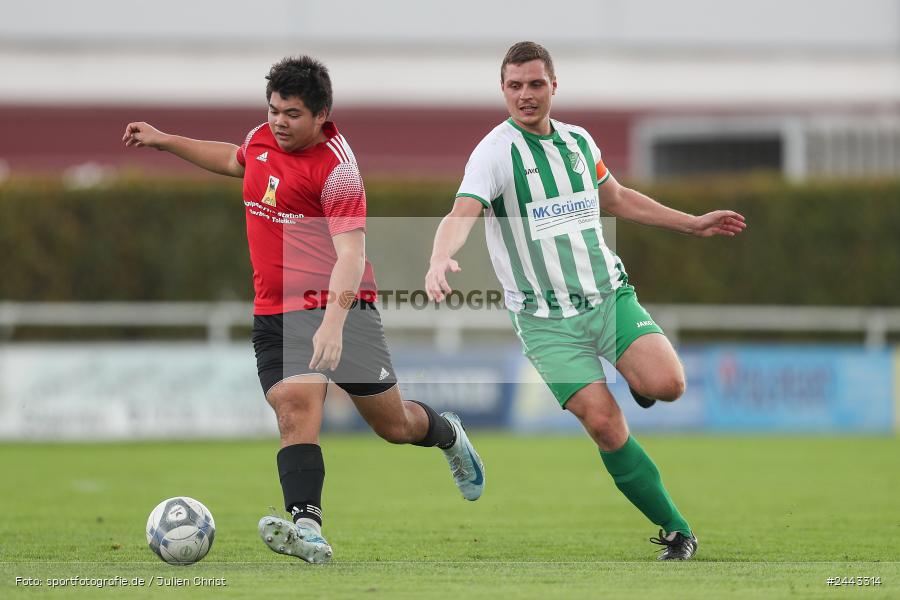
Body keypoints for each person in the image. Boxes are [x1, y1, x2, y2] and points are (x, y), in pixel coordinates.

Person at [123, 55, 484, 564]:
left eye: (291, 114)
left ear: (321, 115)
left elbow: (352, 256)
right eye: (273, 110)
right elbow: (233, 159)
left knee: (395, 426)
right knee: (295, 406)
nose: (279, 122)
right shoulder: (262, 138)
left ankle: (448, 434)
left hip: (341, 307)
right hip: (275, 309)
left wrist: (333, 326)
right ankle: (308, 528)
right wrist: (163, 139)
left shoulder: (338, 170)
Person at [426, 41, 746, 560]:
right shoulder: (493, 152)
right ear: (502, 90)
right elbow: (461, 211)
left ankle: (640, 380)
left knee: (669, 386)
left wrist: (691, 223)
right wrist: (439, 259)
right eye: (514, 86)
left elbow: (615, 198)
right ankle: (677, 529)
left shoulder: (578, 142)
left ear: (554, 84)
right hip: (546, 323)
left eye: (535, 84)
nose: (525, 95)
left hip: (606, 298)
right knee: (604, 423)